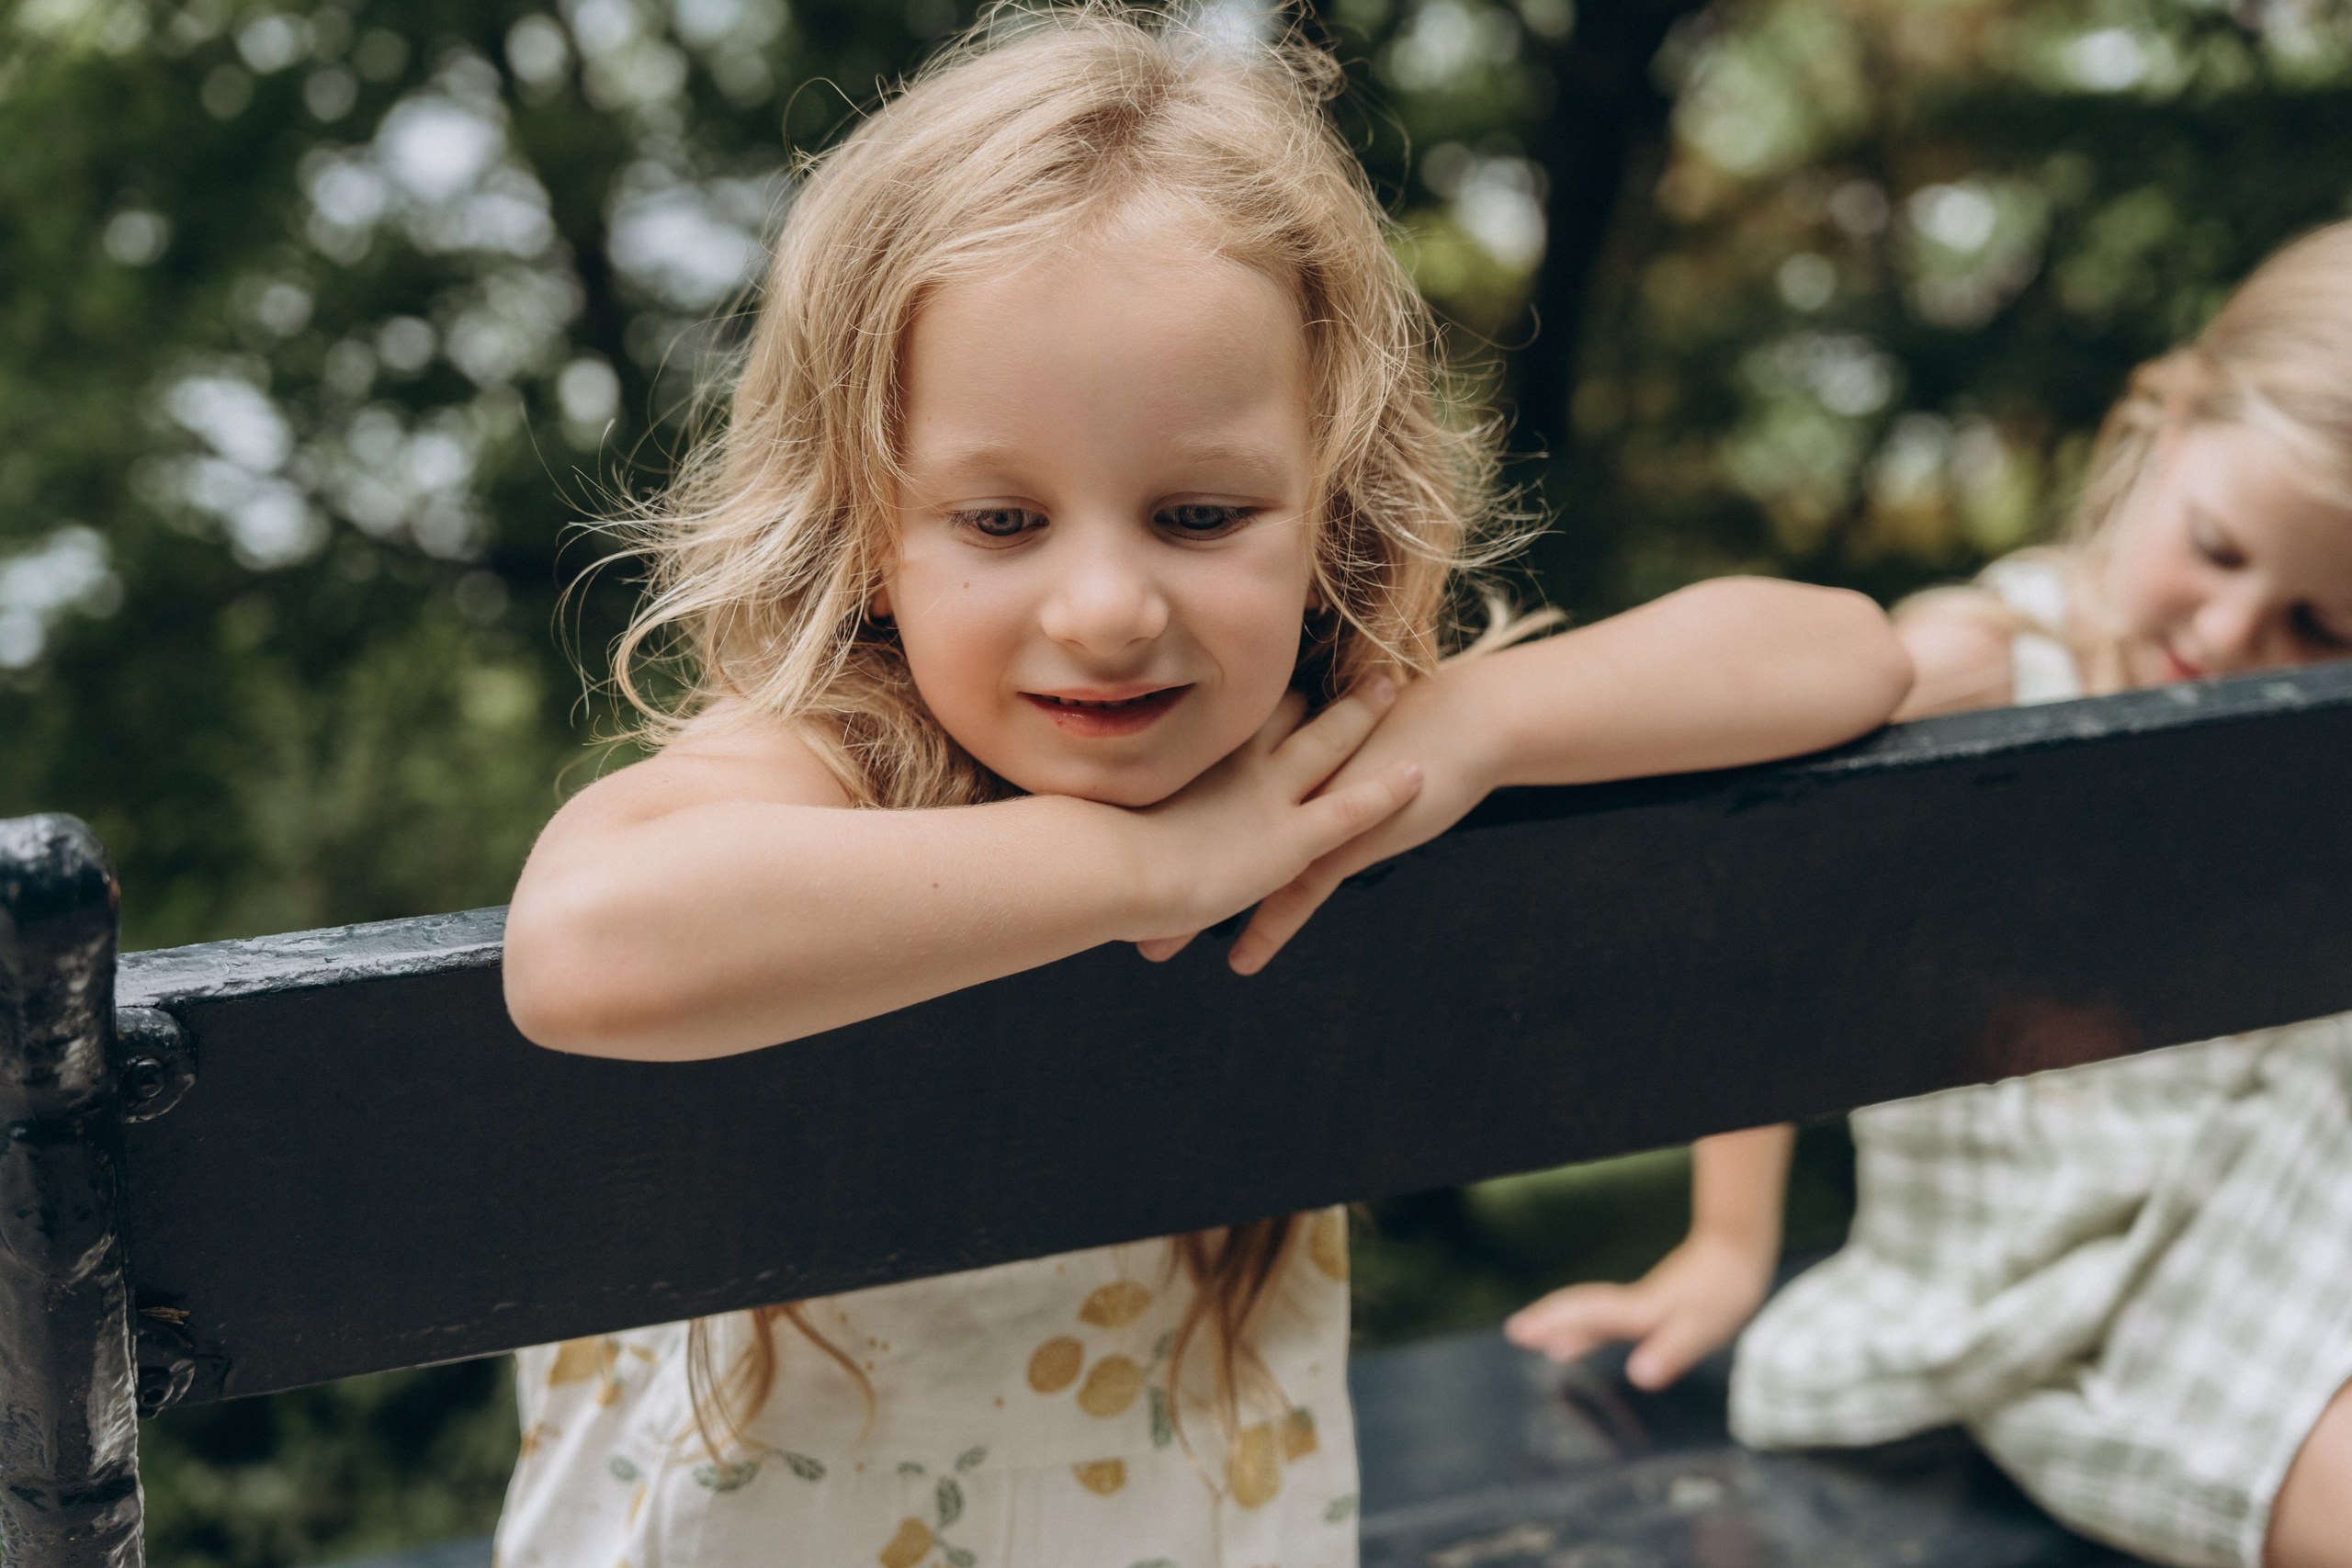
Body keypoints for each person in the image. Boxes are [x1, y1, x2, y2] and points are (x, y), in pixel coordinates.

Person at [492, 8, 1910, 1564]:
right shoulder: (837, 758)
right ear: (865, 532)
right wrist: (1154, 870)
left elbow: (1842, 656)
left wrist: (1481, 725)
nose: (1105, 610)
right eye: (1002, 522)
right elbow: (584, 942)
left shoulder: (1322, 756)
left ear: (1330, 514)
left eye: (1198, 512)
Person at [1507, 220, 2352, 1568]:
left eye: (2325, 625)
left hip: (2303, 1183)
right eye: (2217, 548)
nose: (2239, 635)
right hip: (2085, 1277)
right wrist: (1730, 1244)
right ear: (2165, 426)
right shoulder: (1992, 662)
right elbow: (1776, 905)